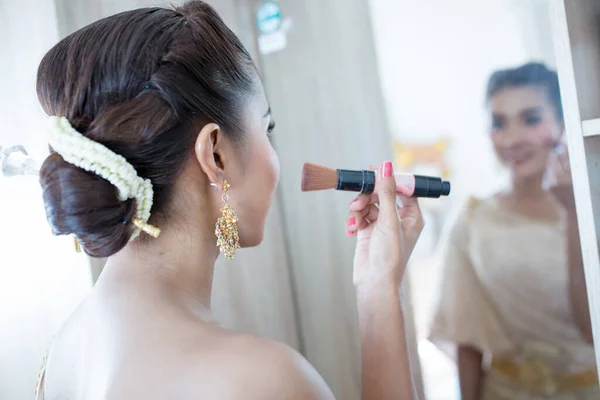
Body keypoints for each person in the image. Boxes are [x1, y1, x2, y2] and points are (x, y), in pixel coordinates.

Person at [34, 2, 423, 399]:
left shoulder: (63, 351)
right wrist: (381, 293)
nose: (274, 157)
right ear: (215, 154)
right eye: (265, 127)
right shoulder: (261, 380)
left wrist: (376, 281)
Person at [429, 62, 598, 399]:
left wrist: (574, 212)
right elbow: (468, 337)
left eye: (531, 119)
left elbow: (591, 327)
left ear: (562, 123)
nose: (512, 139)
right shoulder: (474, 219)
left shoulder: (590, 212)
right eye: (499, 123)